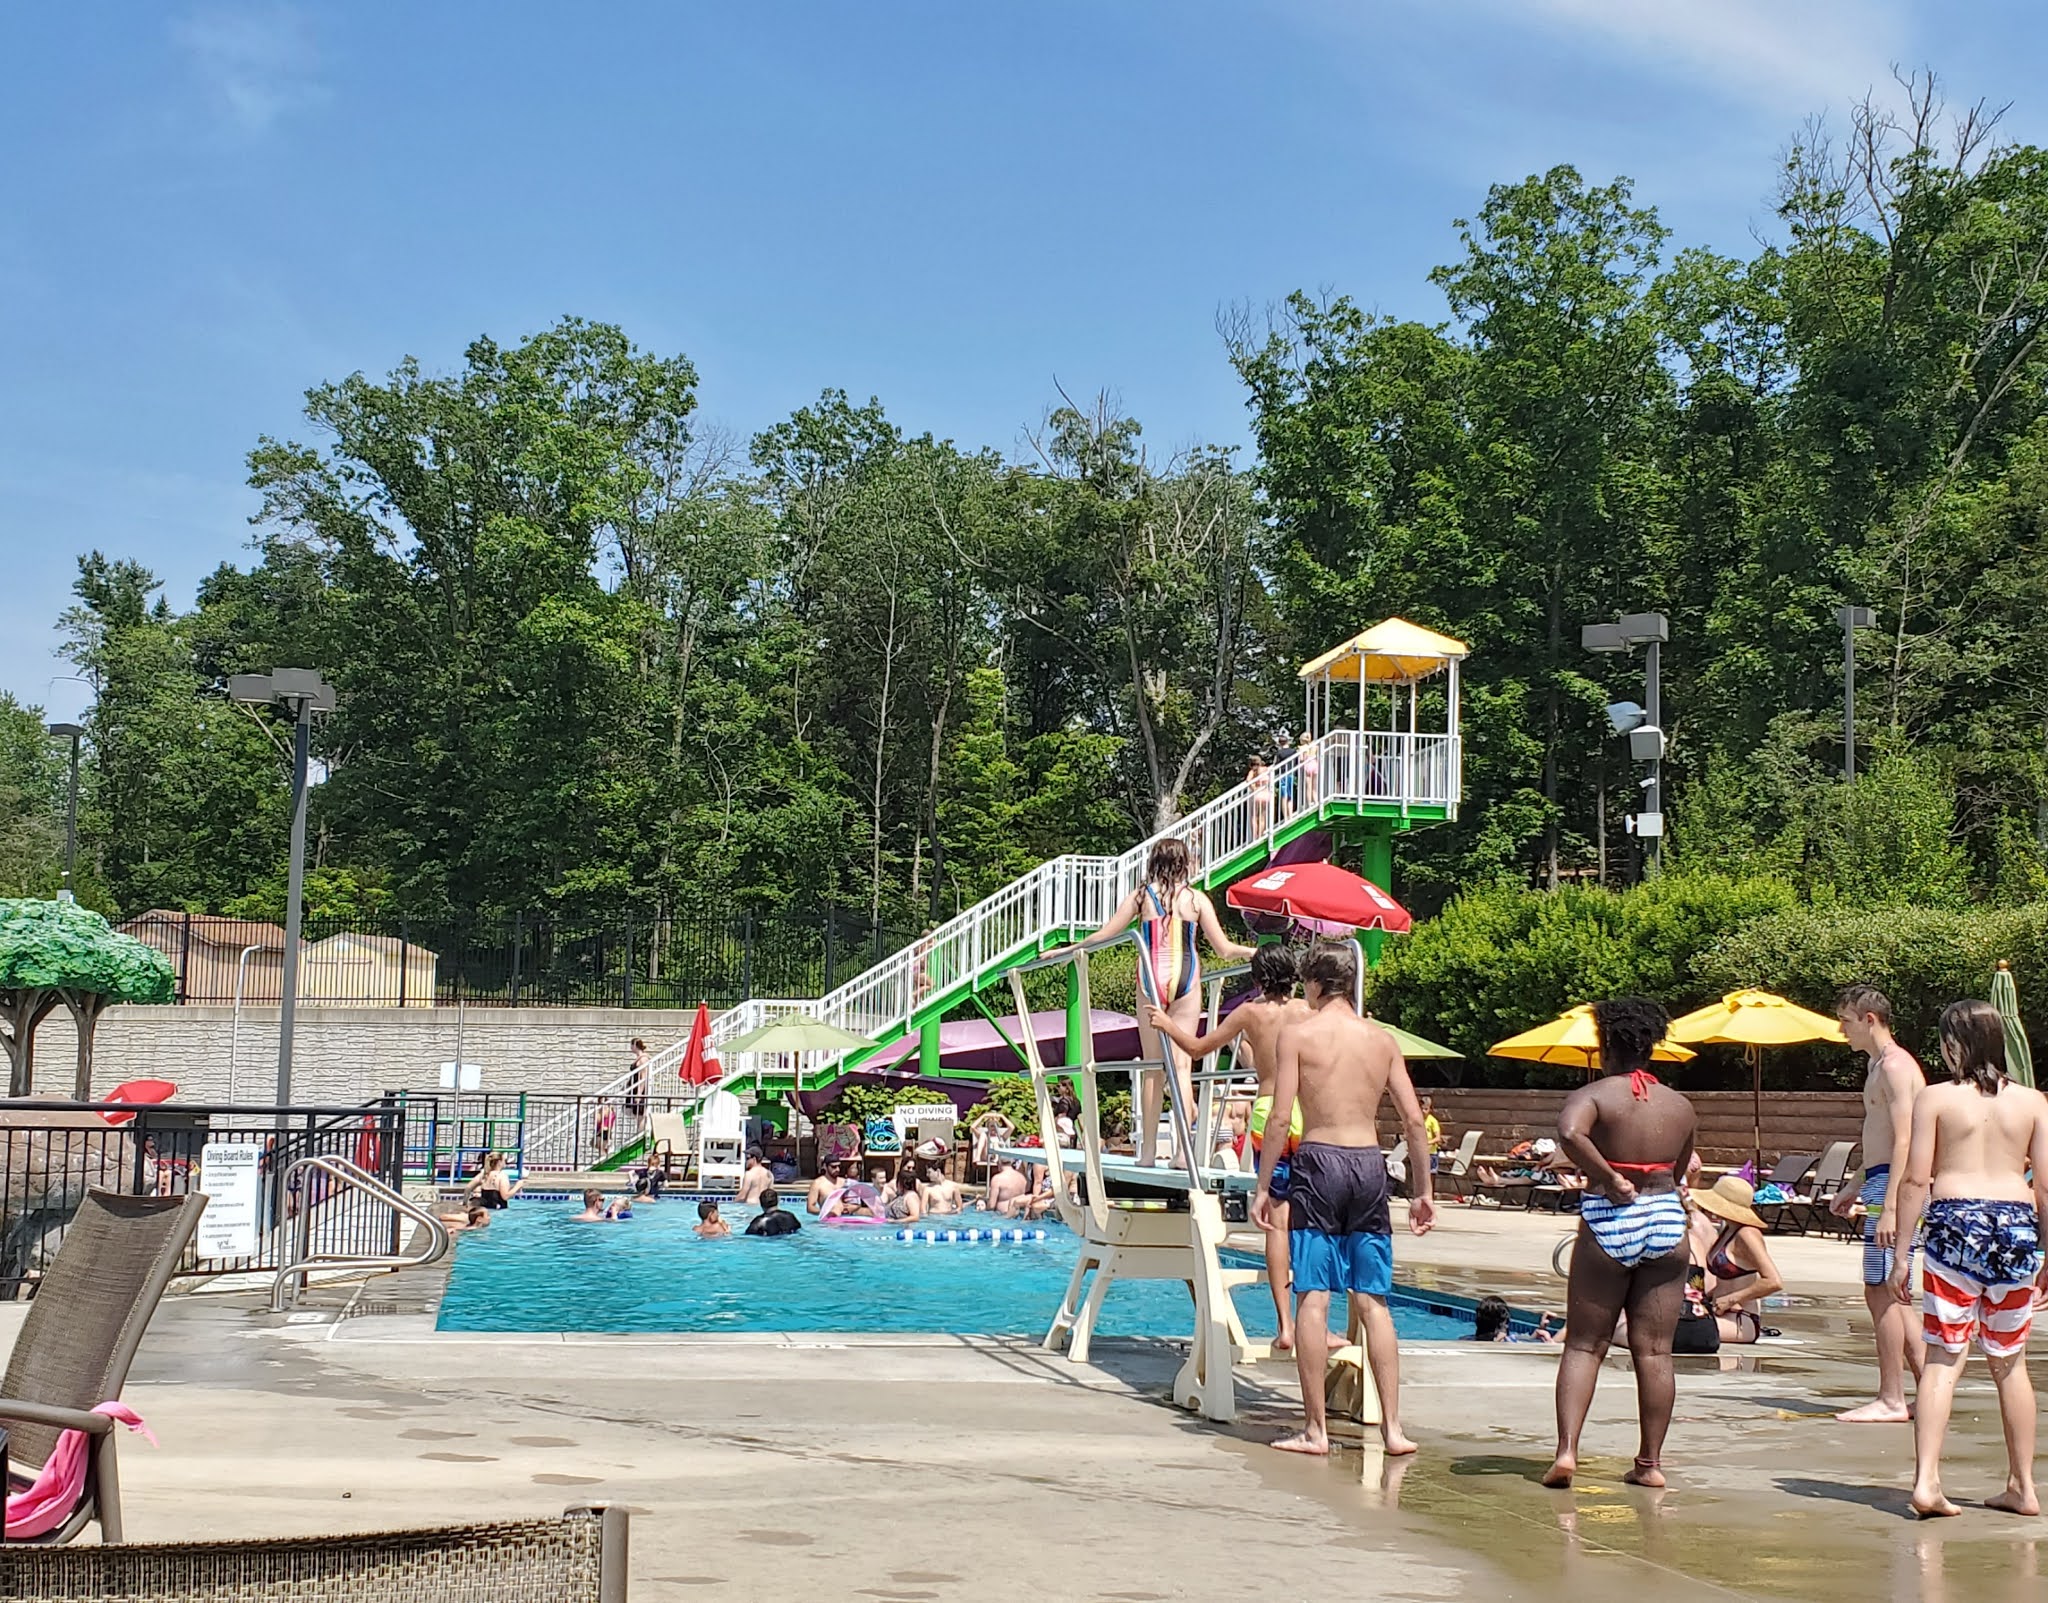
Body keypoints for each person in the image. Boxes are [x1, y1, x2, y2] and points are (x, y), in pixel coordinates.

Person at [1252, 939, 1433, 1456]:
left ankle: (1315, 1430)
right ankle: (1394, 1430)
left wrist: (1264, 1187)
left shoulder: (1299, 1035)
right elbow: (1415, 1121)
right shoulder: (1381, 1041)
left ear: (1312, 983)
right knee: (1374, 1301)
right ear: (1351, 982)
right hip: (1369, 1166)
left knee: (1313, 1295)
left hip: (1319, 1165)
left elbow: (1282, 1117)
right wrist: (1423, 1192)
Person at [1887, 999, 2048, 1519]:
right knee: (2010, 1363)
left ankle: (1928, 1483)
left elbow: (1915, 1179)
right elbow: (2044, 1185)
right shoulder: (2033, 1103)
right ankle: (2023, 1486)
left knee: (1942, 1358)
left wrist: (1902, 1255)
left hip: (1955, 1221)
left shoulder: (1935, 1099)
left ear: (1953, 1044)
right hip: (2016, 1225)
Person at [1544, 998, 1698, 1490]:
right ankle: (1649, 1465)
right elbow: (1679, 1172)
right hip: (1665, 1220)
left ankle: (1567, 1453)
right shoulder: (1679, 1105)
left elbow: (1569, 1133)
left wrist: (1607, 1176)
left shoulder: (1595, 1095)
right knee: (1655, 1353)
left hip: (1613, 1217)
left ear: (1605, 1045)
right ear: (1651, 1047)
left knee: (1585, 1345)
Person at [1148, 941, 1310, 1351]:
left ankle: (1285, 1325)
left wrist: (1168, 1026)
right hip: (1304, 1110)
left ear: (1257, 978)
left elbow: (1201, 1048)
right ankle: (1313, 1319)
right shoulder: (1309, 1012)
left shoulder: (1250, 1013)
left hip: (1268, 1112)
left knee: (1276, 1219)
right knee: (1310, 1219)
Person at [1060, 838, 1255, 1166]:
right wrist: (1253, 952)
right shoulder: (1196, 900)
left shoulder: (1141, 897)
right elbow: (1223, 948)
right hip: (1186, 977)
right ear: (1184, 864)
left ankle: (1148, 1153)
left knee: (1153, 1068)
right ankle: (1183, 1152)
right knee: (1181, 1067)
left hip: (1151, 979)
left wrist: (1063, 951)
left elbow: (1103, 935)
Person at [1830, 983, 1929, 1424]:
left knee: (1882, 1292)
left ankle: (1892, 1396)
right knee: (1891, 1291)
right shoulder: (1877, 1066)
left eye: (1846, 1021)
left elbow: (1908, 1137)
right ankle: (1928, 1391)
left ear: (1869, 1020)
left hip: (1894, 1186)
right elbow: (1882, 1140)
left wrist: (1891, 1205)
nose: (1841, 1030)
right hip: (1880, 1180)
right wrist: (1856, 1182)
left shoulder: (1895, 1066)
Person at [1691, 1176, 1785, 1343]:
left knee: (1671, 1331)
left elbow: (1773, 1281)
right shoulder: (1728, 1230)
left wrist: (1731, 1299)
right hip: (1721, 1314)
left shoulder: (1747, 1234)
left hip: (1741, 1319)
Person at [626, 1037, 652, 1120]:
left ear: (635, 1045)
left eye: (631, 1045)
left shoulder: (643, 1059)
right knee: (635, 1113)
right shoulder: (638, 1058)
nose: (630, 1047)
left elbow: (643, 1077)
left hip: (638, 1089)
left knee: (640, 1115)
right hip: (634, 1088)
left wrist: (639, 1094)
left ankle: (641, 1132)